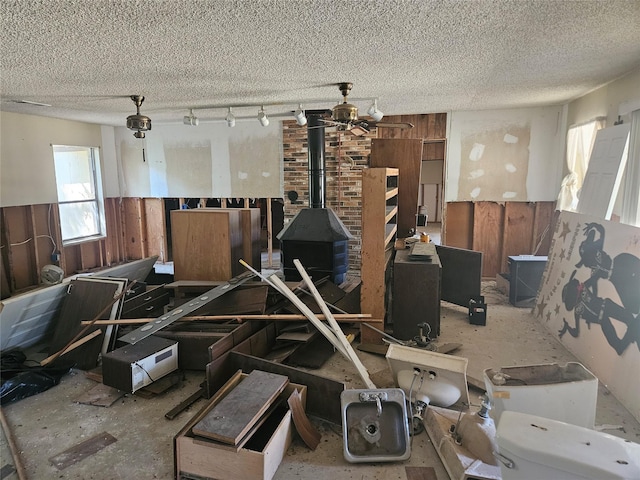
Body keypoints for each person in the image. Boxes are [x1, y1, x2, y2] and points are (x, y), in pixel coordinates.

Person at [560, 270, 638, 355]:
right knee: (621, 343)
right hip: (604, 316)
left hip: (606, 309)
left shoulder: (579, 305)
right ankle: (632, 332)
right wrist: (567, 326)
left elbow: (575, 332)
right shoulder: (578, 306)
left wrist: (567, 326)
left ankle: (633, 332)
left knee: (631, 321)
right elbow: (594, 278)